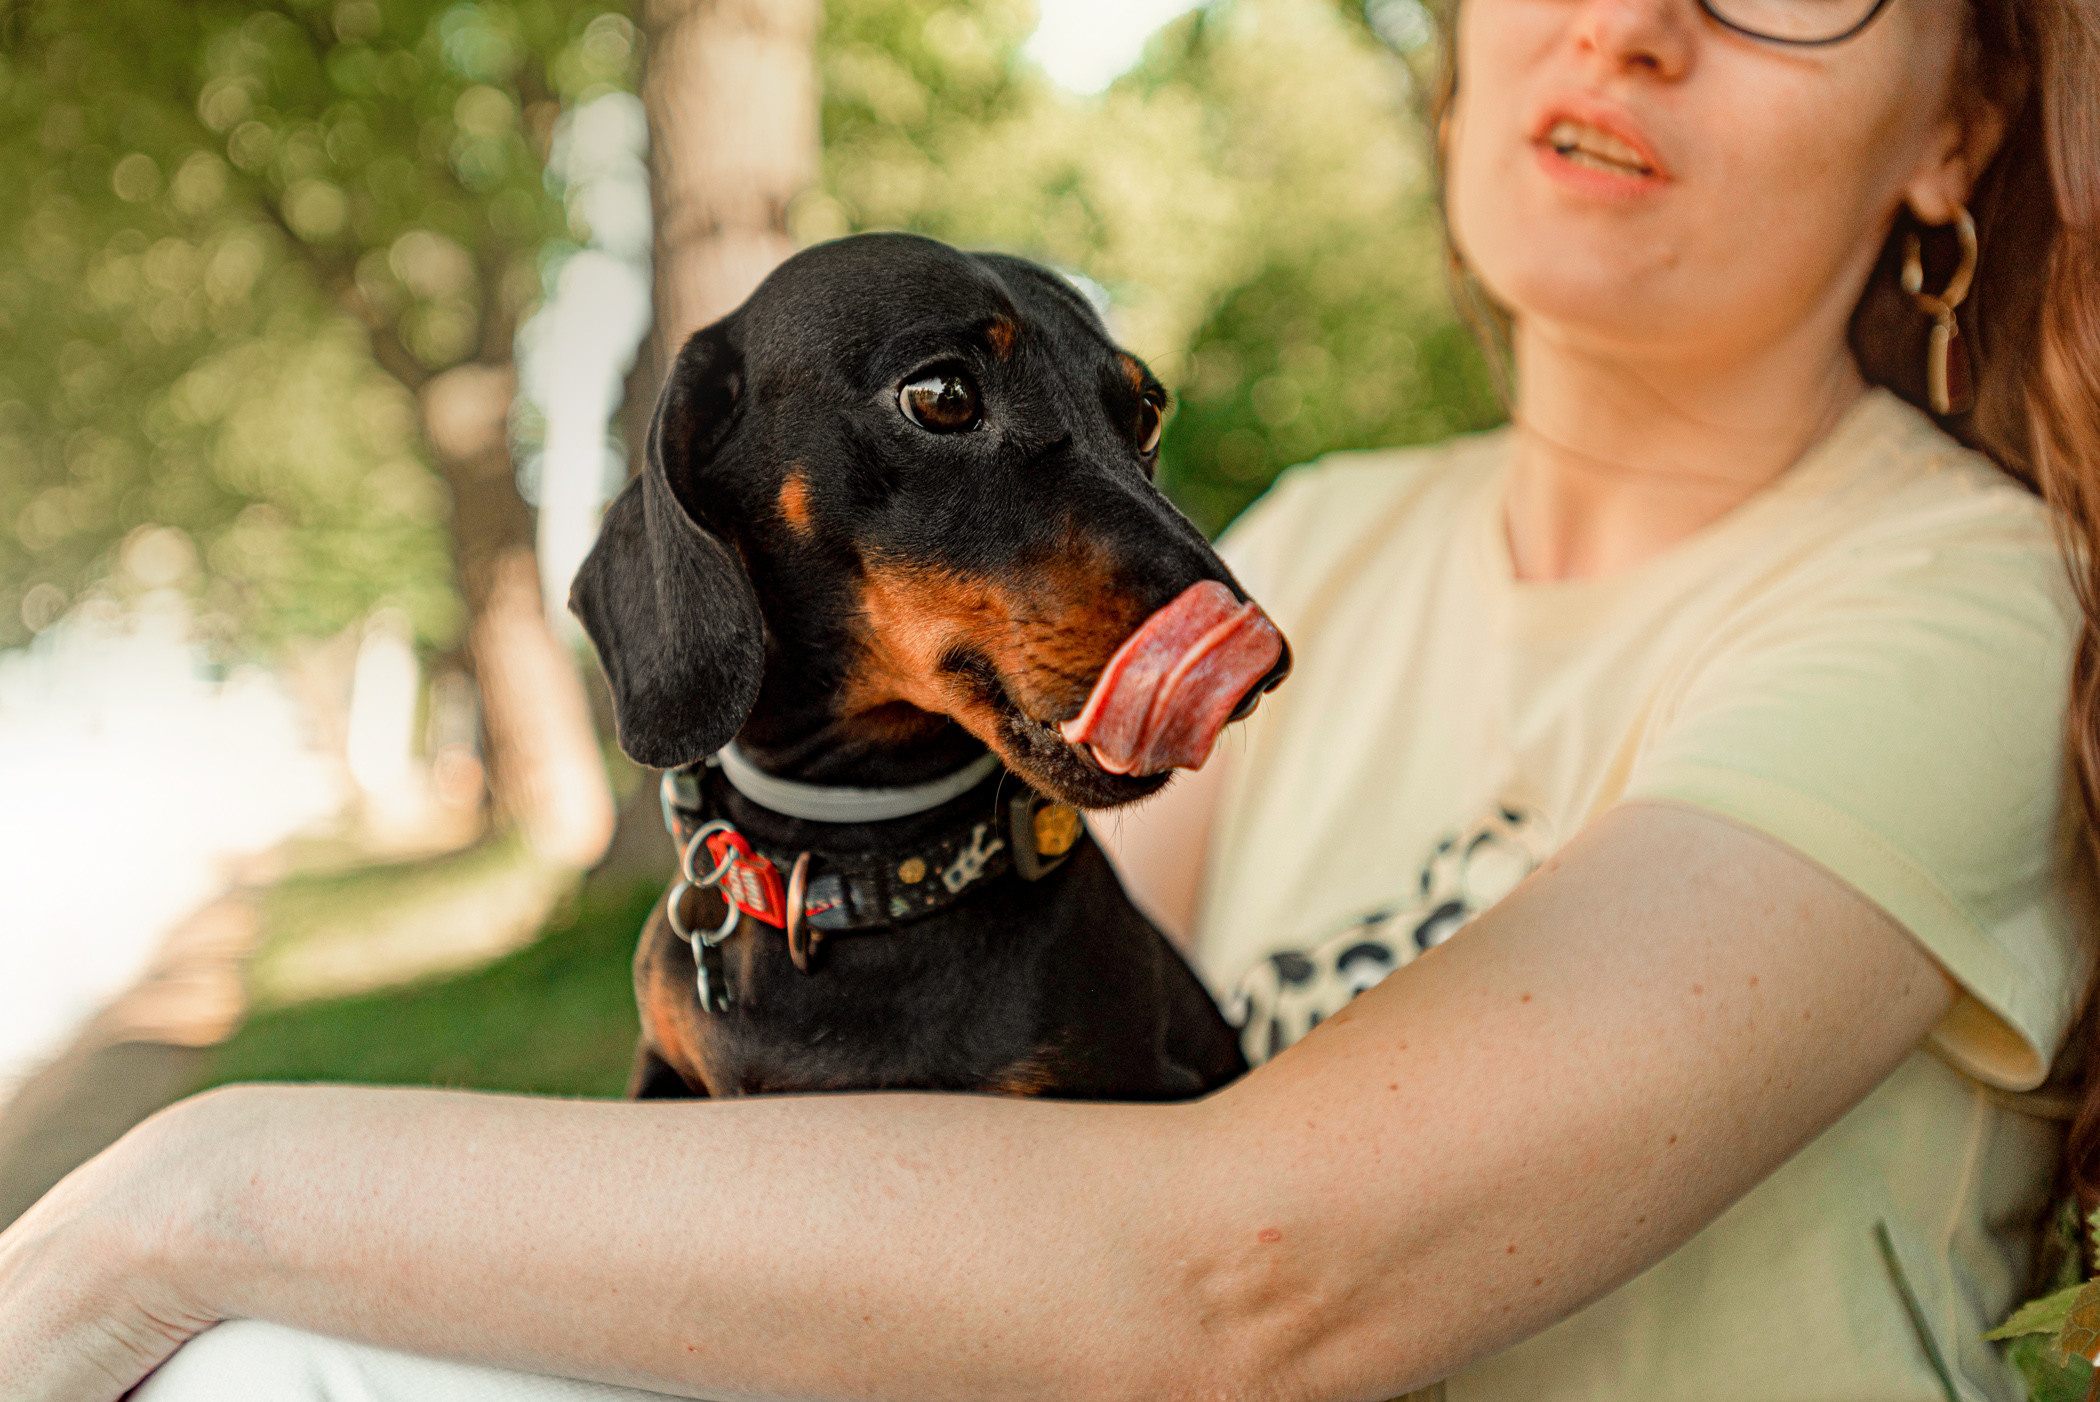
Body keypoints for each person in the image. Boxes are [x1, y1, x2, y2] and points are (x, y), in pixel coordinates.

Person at [5, 0, 2098, 1396]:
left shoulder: (1971, 601)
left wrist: (198, 1198)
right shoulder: (1338, 529)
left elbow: (1259, 1279)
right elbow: (955, 1050)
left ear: (1960, 128)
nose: (1635, 19)